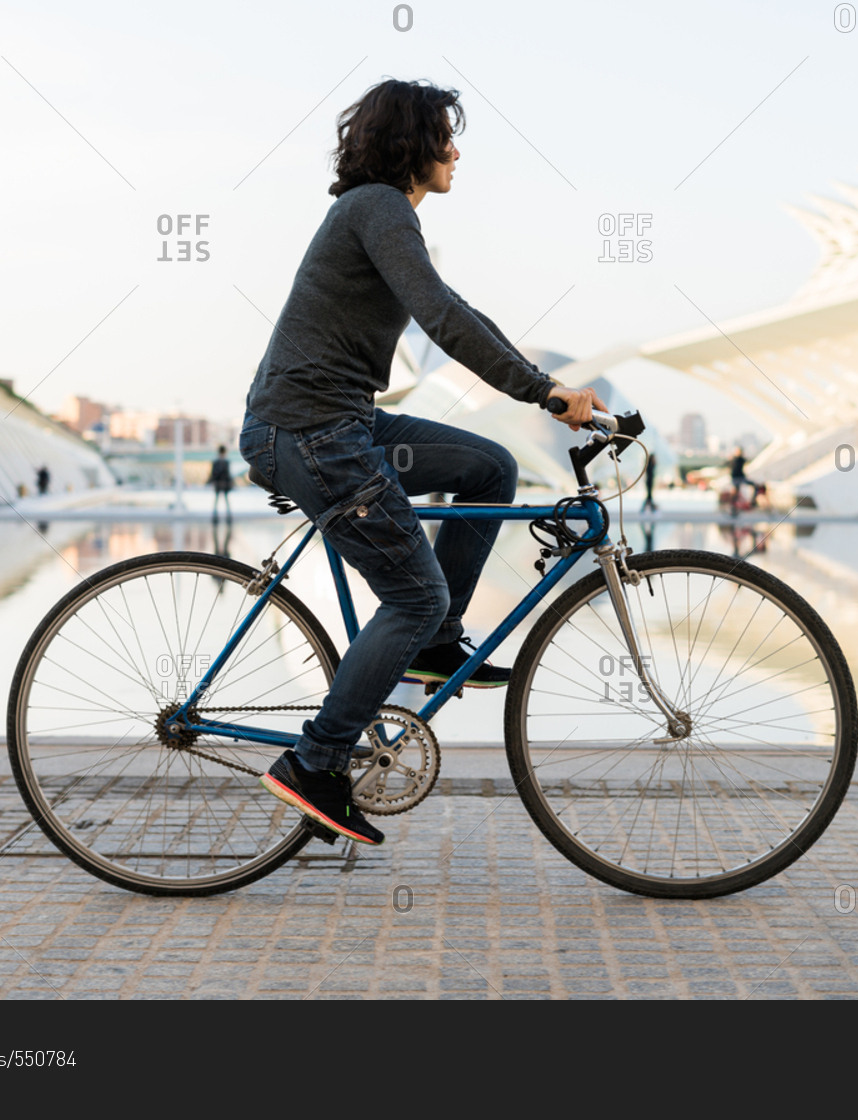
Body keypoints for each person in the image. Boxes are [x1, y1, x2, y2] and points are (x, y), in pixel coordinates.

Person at [239, 78, 604, 847]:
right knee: (412, 594)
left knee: (489, 470)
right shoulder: (377, 207)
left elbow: (458, 311)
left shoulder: (384, 219)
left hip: (344, 424)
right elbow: (438, 321)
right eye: (446, 138)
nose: (456, 152)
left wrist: (552, 393)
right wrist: (542, 392)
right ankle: (316, 762)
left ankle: (438, 645)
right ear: (414, 144)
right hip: (309, 432)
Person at [208, 444, 233, 520]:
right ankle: (227, 515)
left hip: (219, 483)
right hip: (223, 483)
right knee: (224, 499)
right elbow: (227, 474)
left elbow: (213, 473)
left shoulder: (216, 462)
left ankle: (216, 515)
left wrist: (212, 481)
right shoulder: (226, 462)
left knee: (218, 499)